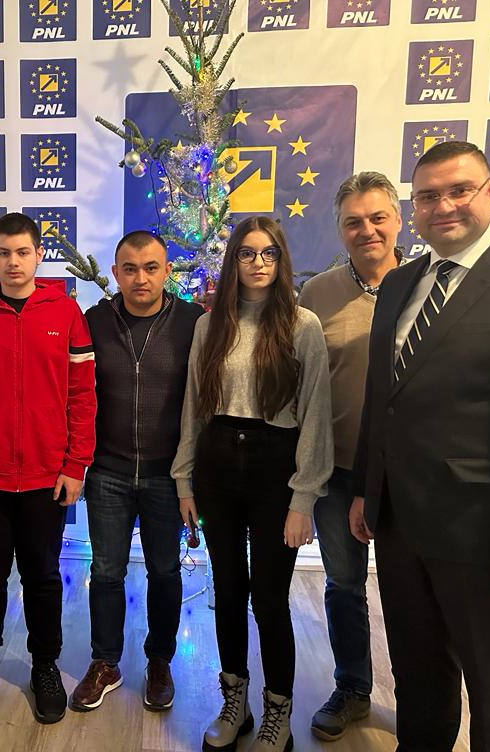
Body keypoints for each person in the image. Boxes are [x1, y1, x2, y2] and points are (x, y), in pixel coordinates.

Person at [351, 140, 490, 750]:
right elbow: (383, 399)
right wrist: (366, 491)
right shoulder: (400, 283)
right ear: (414, 208)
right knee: (419, 677)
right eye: (427, 196)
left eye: (458, 190)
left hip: (484, 538)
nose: (443, 206)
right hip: (400, 529)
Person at [173, 216, 333, 752]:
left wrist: (303, 498)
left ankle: (277, 710)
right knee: (226, 588)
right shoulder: (209, 326)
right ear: (233, 261)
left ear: (281, 260)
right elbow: (194, 407)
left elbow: (315, 415)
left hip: (275, 467)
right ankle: (234, 700)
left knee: (268, 597)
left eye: (269, 253)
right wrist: (184, 481)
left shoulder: (302, 325)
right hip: (217, 464)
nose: (258, 263)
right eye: (247, 253)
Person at [0, 211, 97, 725]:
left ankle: (44, 665)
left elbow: (83, 395)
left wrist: (75, 464)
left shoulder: (66, 312)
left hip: (46, 477)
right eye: (4, 253)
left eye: (23, 252)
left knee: (43, 576)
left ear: (38, 255)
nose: (14, 262)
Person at [70, 230, 203, 713]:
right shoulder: (95, 322)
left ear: (167, 271)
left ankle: (160, 661)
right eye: (130, 269)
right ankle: (105, 662)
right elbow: (75, 393)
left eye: (151, 267)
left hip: (169, 477)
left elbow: (204, 401)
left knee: (164, 571)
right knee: (106, 571)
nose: (140, 278)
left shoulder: (193, 322)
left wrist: (192, 477)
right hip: (108, 471)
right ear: (115, 273)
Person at [297, 172, 403, 741]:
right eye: (353, 222)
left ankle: (420, 698)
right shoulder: (317, 295)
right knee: (343, 584)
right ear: (340, 230)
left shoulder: (425, 287)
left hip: (410, 473)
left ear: (398, 220)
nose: (367, 230)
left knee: (415, 591)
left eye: (377, 218)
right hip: (338, 470)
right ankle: (353, 688)